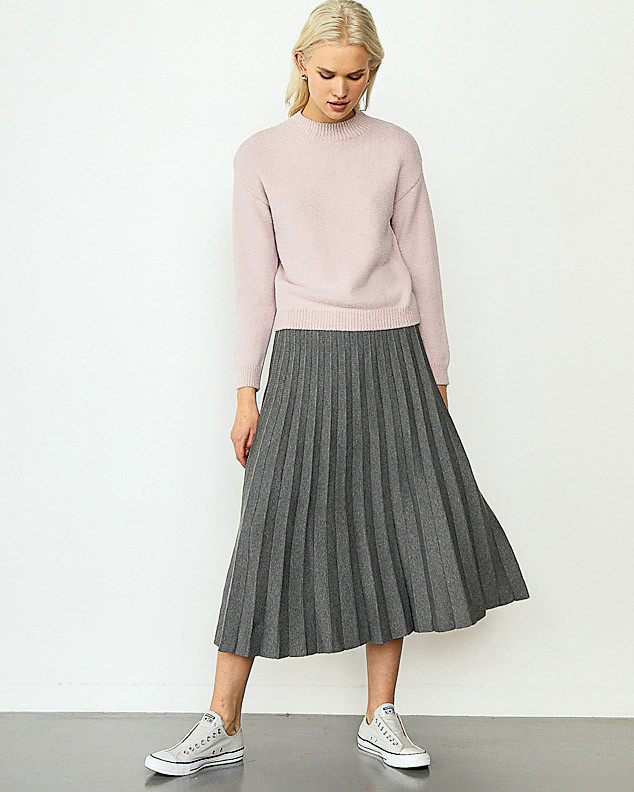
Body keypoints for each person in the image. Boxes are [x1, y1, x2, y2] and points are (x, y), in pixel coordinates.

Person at [145, 0, 530, 777]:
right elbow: (254, 281)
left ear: (373, 72)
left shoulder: (395, 148)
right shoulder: (260, 154)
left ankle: (381, 715)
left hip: (394, 356)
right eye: (326, 74)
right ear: (300, 64)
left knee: (394, 525)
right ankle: (222, 721)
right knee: (267, 529)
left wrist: (439, 375)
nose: (339, 90)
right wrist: (247, 390)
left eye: (355, 76)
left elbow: (424, 264)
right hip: (305, 358)